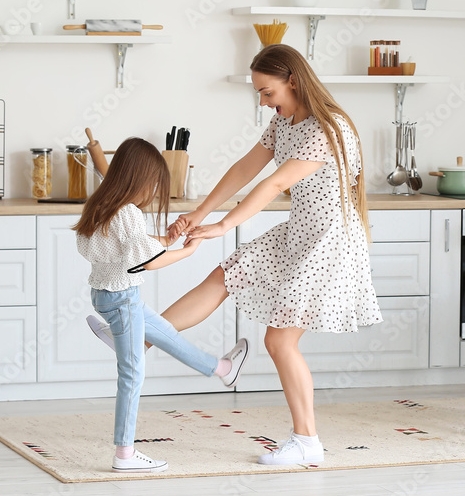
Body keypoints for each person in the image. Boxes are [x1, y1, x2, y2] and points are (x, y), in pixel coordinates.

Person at [163, 43, 383, 466]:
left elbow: (273, 185)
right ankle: (143, 334)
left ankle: (307, 443)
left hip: (329, 241)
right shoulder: (285, 123)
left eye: (268, 93)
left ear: (293, 81)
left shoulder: (327, 127)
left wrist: (225, 226)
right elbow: (246, 169)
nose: (264, 103)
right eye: (260, 94)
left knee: (279, 338)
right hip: (298, 232)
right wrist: (200, 212)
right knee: (225, 275)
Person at [74, 136, 249, 474]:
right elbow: (145, 262)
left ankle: (222, 370)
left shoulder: (101, 202)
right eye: (153, 184)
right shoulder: (128, 213)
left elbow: (129, 247)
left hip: (108, 295)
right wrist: (187, 251)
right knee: (132, 373)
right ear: (138, 179)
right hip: (123, 300)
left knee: (165, 333)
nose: (154, 192)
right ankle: (124, 454)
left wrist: (166, 240)